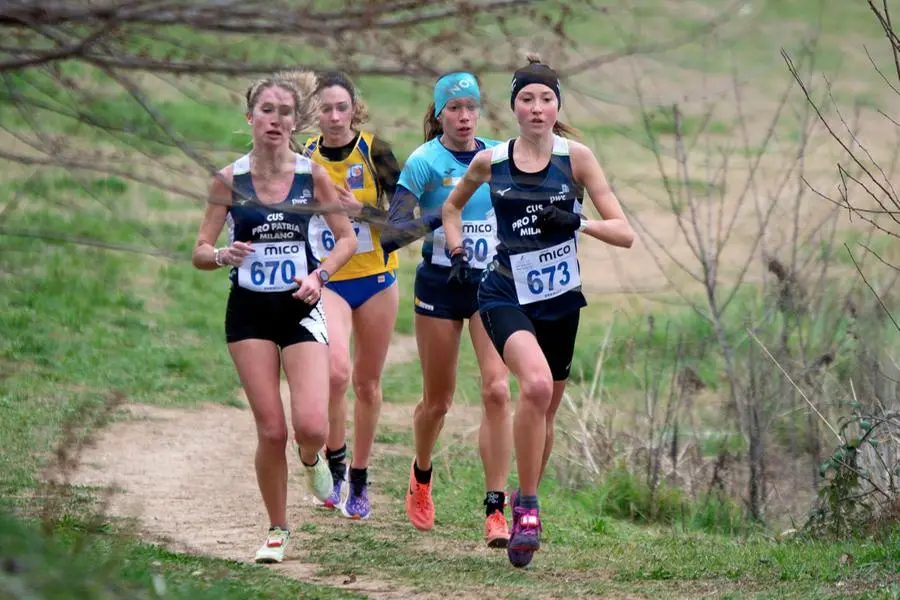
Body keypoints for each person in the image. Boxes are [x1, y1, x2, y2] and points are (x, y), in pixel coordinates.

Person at [440, 54, 635, 568]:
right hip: (503, 293)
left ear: (556, 106)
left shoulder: (578, 159)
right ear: (513, 107)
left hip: (560, 301)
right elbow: (452, 206)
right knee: (536, 386)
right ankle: (522, 507)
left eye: (546, 98)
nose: (537, 107)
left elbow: (625, 233)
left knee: (544, 413)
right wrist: (458, 251)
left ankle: (529, 498)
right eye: (526, 98)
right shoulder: (491, 162)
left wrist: (578, 222)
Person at [191, 73, 358, 564]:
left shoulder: (311, 177)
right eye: (267, 110)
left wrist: (320, 276)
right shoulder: (229, 180)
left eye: (286, 112)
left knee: (310, 426)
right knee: (271, 430)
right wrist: (224, 255)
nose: (276, 120)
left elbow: (346, 239)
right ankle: (277, 529)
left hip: (301, 308)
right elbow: (199, 251)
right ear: (250, 117)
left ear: (294, 121)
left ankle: (313, 461)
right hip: (248, 313)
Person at [377, 72, 513, 547]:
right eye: (453, 108)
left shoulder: (498, 155)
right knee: (438, 401)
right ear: (439, 114)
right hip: (439, 283)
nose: (463, 116)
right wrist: (443, 216)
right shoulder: (423, 162)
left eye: (471, 106)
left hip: (489, 285)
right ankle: (421, 473)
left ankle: (496, 509)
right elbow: (391, 234)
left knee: (497, 390)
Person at [302, 71, 402, 520]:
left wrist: (361, 212)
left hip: (378, 280)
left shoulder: (375, 150)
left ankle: (360, 475)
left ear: (354, 108)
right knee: (336, 372)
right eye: (326, 109)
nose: (336, 116)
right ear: (315, 113)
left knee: (367, 383)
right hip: (331, 280)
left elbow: (407, 221)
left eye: (343, 107)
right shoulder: (303, 157)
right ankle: (336, 462)